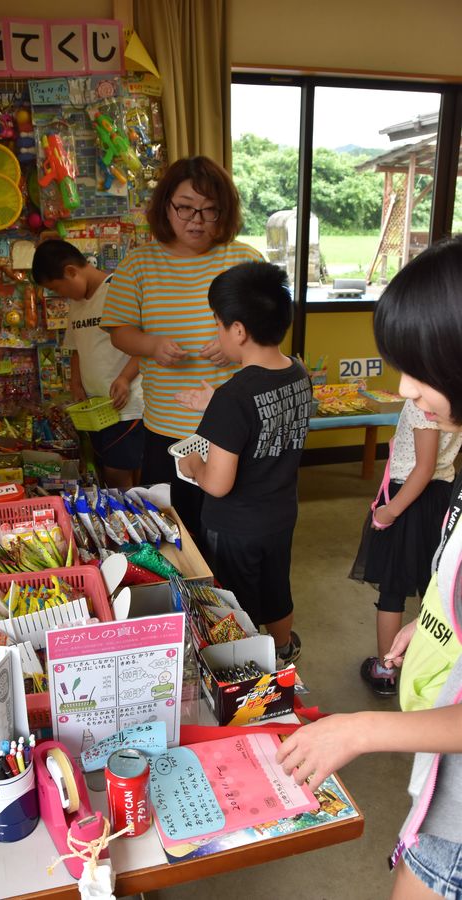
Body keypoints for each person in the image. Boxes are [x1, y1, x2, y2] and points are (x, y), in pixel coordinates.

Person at [276, 236, 462, 900]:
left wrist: (360, 728)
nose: (406, 388)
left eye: (422, 367)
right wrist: (433, 624)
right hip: (441, 799)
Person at [100, 155, 261, 536]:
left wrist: (239, 346)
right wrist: (151, 345)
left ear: (224, 212)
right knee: (176, 534)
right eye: (185, 208)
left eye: (209, 210)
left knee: (231, 537)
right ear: (166, 207)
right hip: (167, 431)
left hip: (236, 430)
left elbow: (267, 332)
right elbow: (119, 331)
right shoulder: (140, 264)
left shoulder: (244, 259)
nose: (197, 221)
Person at [175, 261, 312, 666]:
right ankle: (285, 648)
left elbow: (218, 483)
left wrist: (192, 465)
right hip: (280, 513)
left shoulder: (233, 396)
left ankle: (243, 664)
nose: (217, 333)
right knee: (275, 587)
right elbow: (268, 416)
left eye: (218, 325)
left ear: (238, 330)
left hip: (235, 526)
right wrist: (214, 404)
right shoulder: (299, 373)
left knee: (232, 601)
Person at [351, 397, 462, 696]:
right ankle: (439, 667)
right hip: (441, 496)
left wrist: (390, 511)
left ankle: (385, 669)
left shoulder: (423, 402)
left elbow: (423, 469)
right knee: (435, 585)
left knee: (393, 587)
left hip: (410, 498)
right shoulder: (454, 392)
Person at [31, 239, 144, 489]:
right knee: (106, 469)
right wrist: (75, 382)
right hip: (95, 408)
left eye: (60, 289)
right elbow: (76, 348)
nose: (62, 296)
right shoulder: (76, 304)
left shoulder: (118, 291)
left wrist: (125, 378)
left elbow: (144, 346)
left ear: (72, 271)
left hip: (126, 404)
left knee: (119, 473)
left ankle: (131, 521)